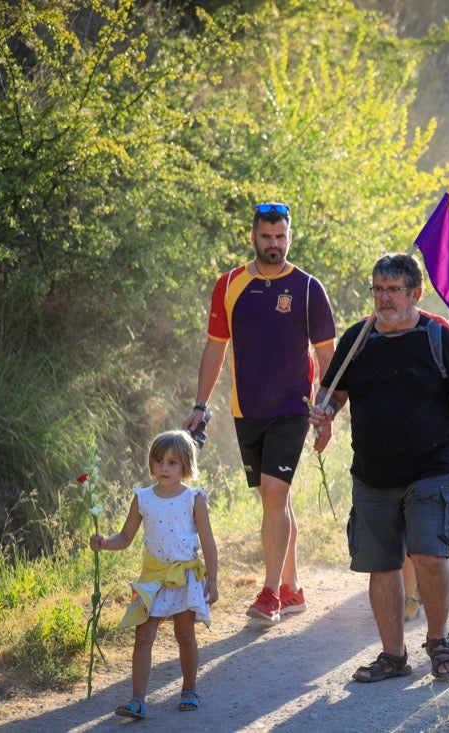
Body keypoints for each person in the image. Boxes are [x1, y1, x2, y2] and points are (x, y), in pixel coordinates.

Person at [311, 253, 449, 683]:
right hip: (372, 473)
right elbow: (333, 393)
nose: (384, 298)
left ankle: (439, 641)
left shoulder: (437, 337)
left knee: (430, 555)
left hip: (430, 467)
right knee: (382, 565)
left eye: (393, 290)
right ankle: (393, 655)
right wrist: (325, 414)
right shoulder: (358, 339)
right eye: (378, 289)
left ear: (415, 293)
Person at [184, 202, 335, 624]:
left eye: (281, 237)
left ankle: (269, 593)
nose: (274, 244)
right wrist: (200, 404)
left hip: (293, 408)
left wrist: (326, 411)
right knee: (274, 498)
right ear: (253, 237)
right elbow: (216, 345)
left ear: (290, 236)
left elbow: (328, 357)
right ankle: (293, 587)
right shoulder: (230, 284)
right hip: (246, 407)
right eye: (267, 237)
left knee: (274, 493)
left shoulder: (307, 288)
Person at [90, 430, 219, 720]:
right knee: (143, 634)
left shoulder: (193, 498)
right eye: (159, 460)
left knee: (185, 634)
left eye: (172, 462)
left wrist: (212, 579)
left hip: (184, 577)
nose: (164, 467)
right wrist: (105, 543)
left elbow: (208, 543)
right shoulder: (143, 498)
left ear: (186, 465)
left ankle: (189, 689)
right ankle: (137, 700)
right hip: (151, 578)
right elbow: (125, 536)